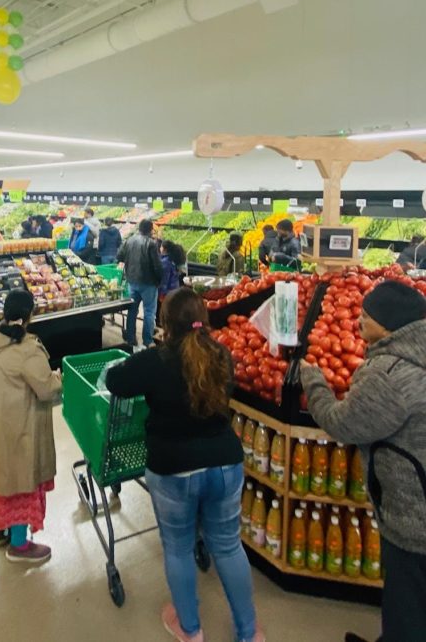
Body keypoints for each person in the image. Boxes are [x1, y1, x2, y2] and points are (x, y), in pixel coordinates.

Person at [299, 281, 426, 642]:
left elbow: (343, 424)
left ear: (387, 325)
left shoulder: (389, 374)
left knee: (412, 619)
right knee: (423, 604)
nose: (358, 322)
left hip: (424, 522)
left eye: (366, 317)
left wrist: (315, 383)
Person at [106, 288, 261, 642]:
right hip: (225, 463)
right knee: (227, 545)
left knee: (177, 547)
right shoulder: (221, 354)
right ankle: (249, 632)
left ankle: (190, 630)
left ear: (164, 323)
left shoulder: (155, 360)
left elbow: (116, 382)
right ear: (203, 320)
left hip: (173, 469)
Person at [0, 289, 61, 564]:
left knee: (1, 477)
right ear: (29, 315)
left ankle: (2, 530)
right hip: (18, 425)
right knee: (21, 481)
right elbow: (45, 389)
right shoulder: (27, 349)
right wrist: (57, 378)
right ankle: (19, 545)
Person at [117, 219, 163, 348]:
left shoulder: (129, 240)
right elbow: (157, 265)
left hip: (132, 280)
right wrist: (159, 280)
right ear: (150, 230)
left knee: (132, 310)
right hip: (148, 283)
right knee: (149, 312)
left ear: (139, 228)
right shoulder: (151, 244)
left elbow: (119, 256)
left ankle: (131, 339)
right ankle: (147, 341)